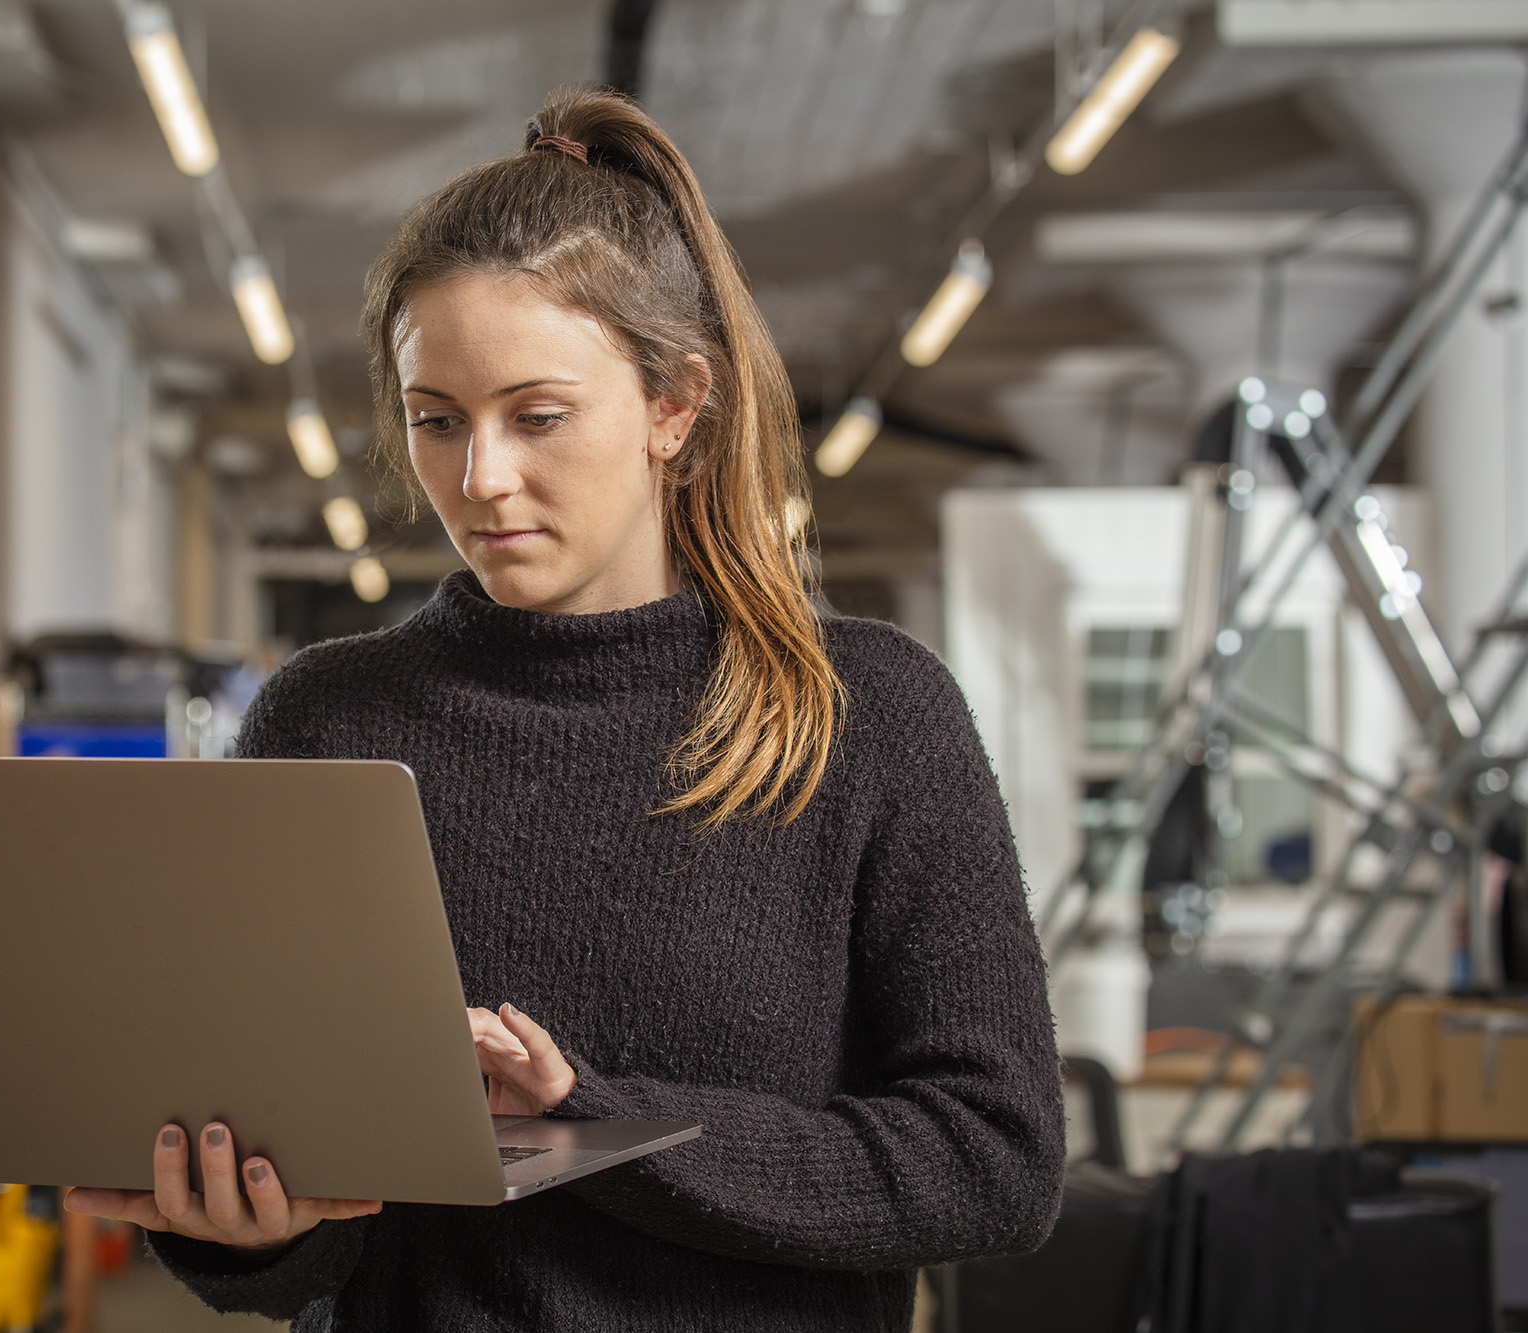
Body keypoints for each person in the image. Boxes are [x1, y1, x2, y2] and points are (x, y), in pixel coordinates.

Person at [65, 84, 1064, 1331]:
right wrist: (239, 1226)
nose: (481, 479)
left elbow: (993, 1161)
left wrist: (599, 1120)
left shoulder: (865, 713)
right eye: (436, 422)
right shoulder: (328, 720)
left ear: (672, 406)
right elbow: (305, 1215)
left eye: (537, 417)